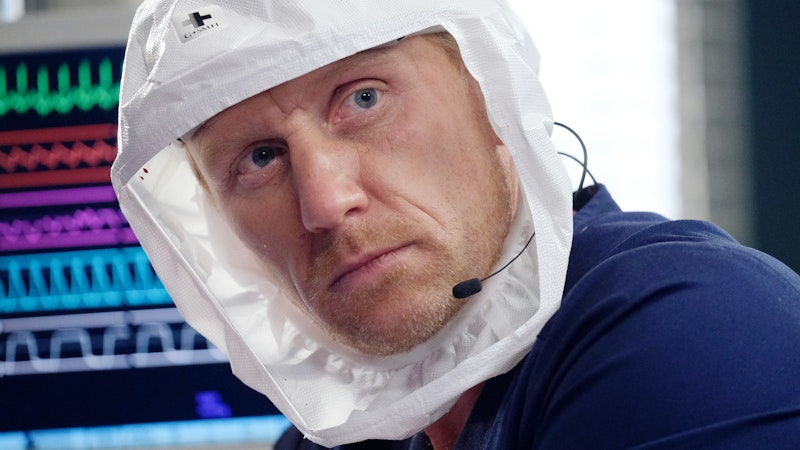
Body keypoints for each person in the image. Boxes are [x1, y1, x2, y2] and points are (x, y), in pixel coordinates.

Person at [112, 0, 800, 448]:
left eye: (363, 98)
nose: (324, 203)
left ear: (492, 94)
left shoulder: (691, 329)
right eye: (260, 159)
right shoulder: (350, 435)